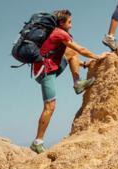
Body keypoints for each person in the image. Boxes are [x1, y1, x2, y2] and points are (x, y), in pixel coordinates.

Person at [30, 9, 111, 154]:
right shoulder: (60, 33)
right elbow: (81, 49)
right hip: (45, 72)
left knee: (71, 53)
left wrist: (85, 65)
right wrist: (98, 57)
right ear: (62, 23)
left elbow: (66, 55)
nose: (71, 25)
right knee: (50, 106)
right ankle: (37, 141)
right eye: (69, 22)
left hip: (45, 66)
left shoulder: (54, 33)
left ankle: (77, 83)